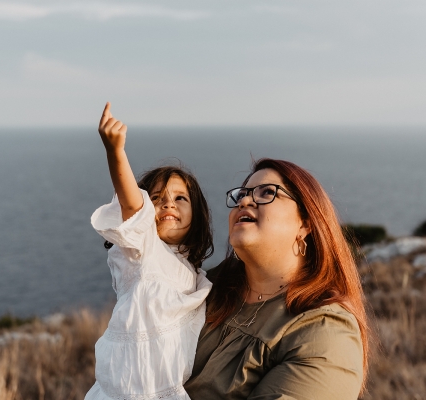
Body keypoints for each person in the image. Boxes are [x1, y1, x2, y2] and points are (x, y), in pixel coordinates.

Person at [184, 158, 370, 400]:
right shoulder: (205, 287)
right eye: (242, 194)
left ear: (305, 224)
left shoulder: (325, 332)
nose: (244, 201)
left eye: (268, 192)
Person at [85, 103, 213, 400]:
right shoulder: (144, 248)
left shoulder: (193, 272)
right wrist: (115, 152)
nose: (168, 203)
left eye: (180, 198)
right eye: (156, 197)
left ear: (198, 214)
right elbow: (134, 208)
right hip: (129, 389)